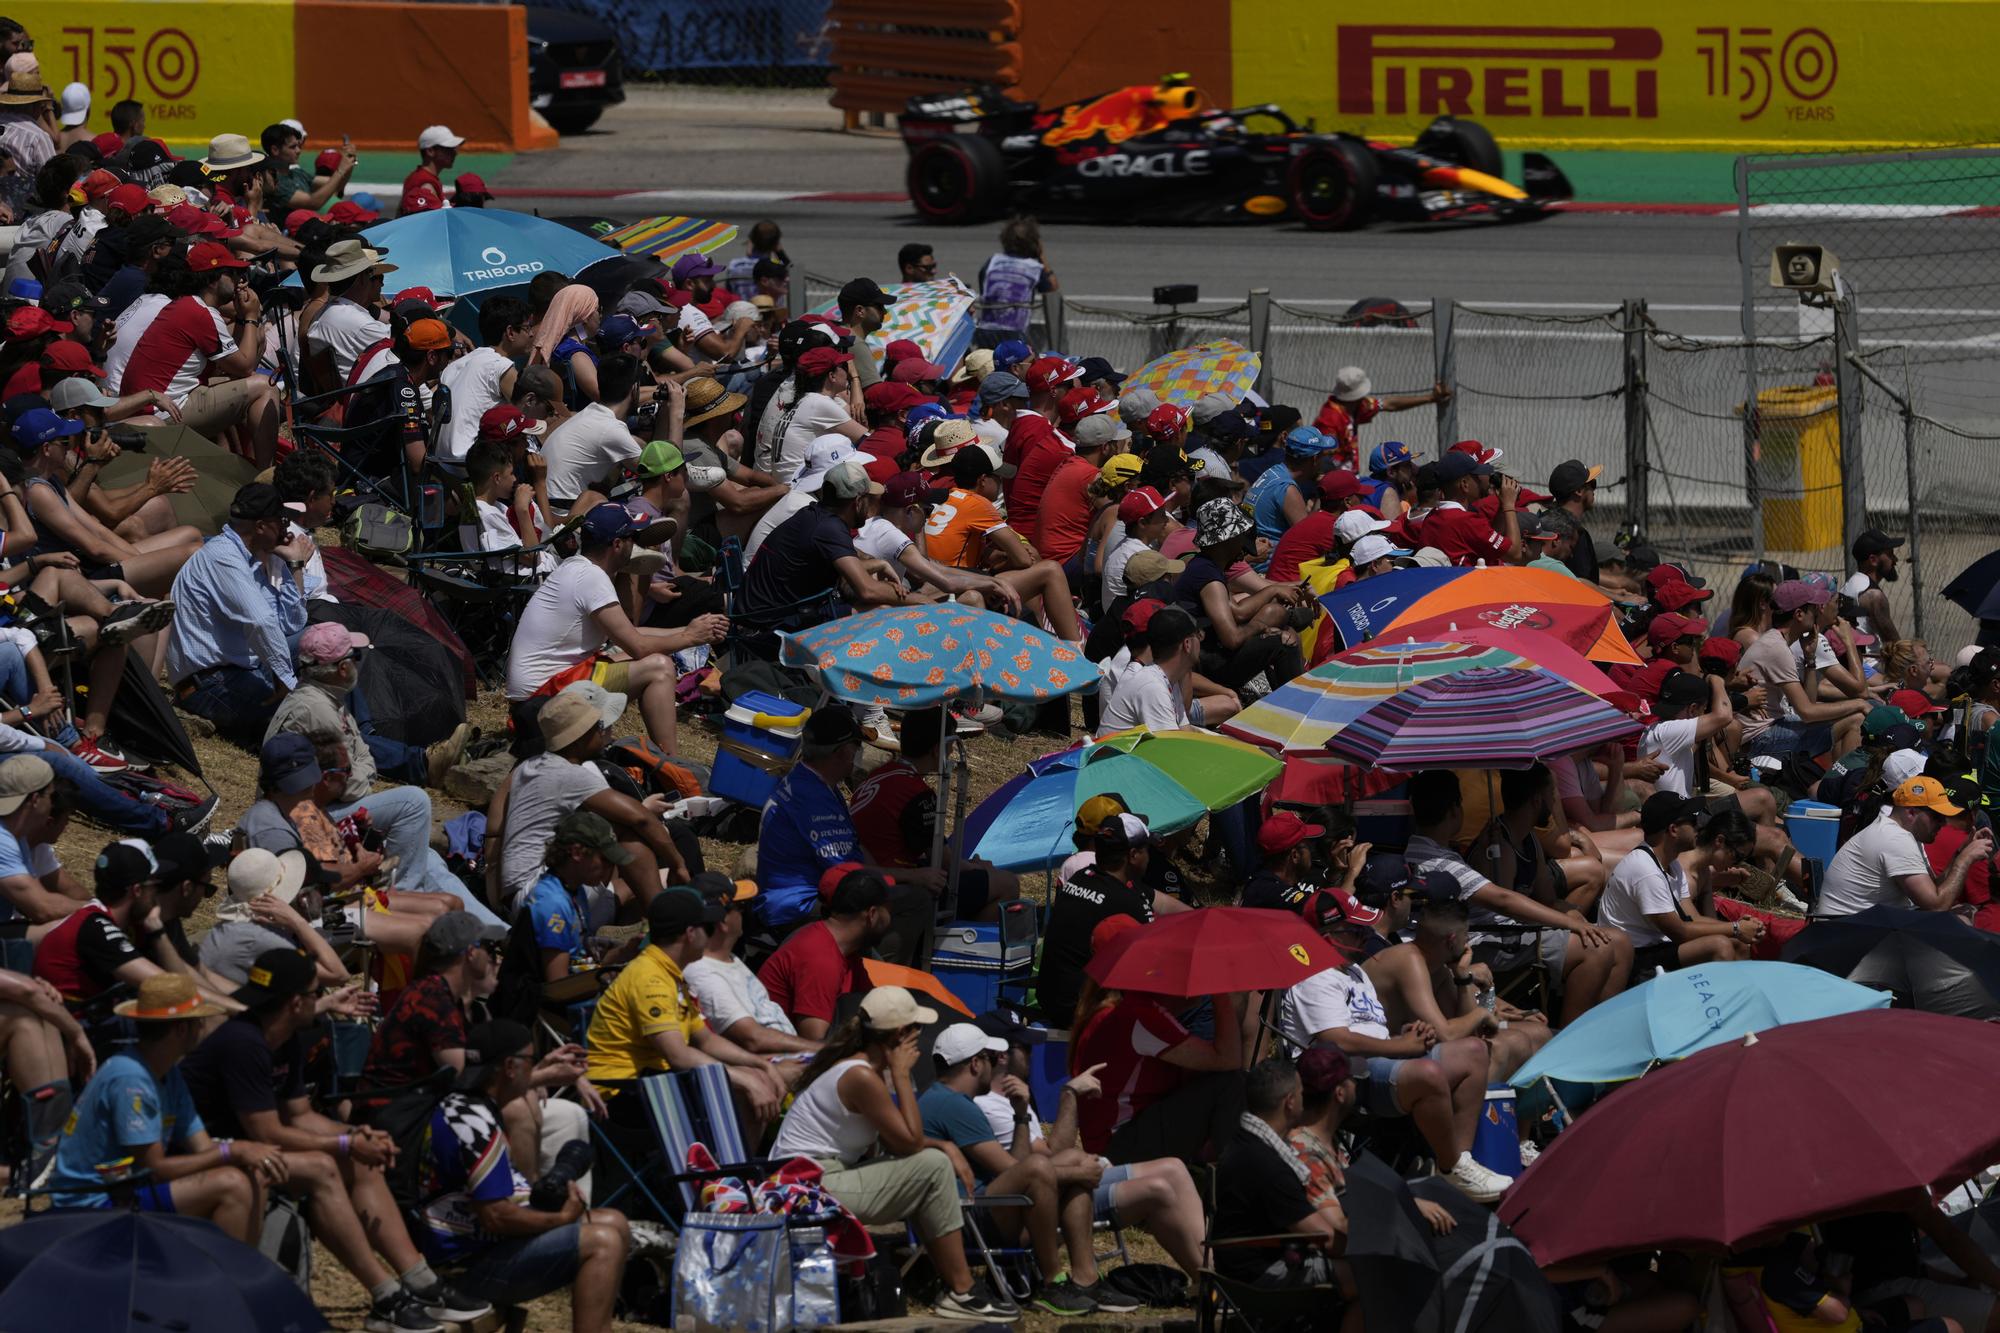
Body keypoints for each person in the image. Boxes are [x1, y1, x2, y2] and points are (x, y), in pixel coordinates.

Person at [179, 947, 489, 1330]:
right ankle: (385, 1295)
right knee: (323, 1167)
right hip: (207, 1153)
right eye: (314, 993)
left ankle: (420, 1281)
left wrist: (358, 1135)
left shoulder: (284, 1036)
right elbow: (267, 1130)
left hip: (252, 1147)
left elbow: (301, 1115)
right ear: (295, 1003)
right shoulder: (244, 1042)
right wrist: (344, 1144)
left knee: (360, 1158)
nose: (319, 1000)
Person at [770, 986, 1021, 1322]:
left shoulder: (862, 1071)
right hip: (805, 1188)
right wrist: (902, 1075)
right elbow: (910, 1143)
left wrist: (942, 1144)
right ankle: (962, 1291)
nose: (919, 1039)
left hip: (815, 1178)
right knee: (931, 1166)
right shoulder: (860, 1076)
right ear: (899, 1036)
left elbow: (897, 1142)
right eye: (915, 1030)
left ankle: (955, 1285)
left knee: (931, 1163)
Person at [1278, 886, 1512, 1201]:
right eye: (1354, 929)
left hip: (1381, 1062)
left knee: (1473, 1052)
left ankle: (1461, 1161)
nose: (1364, 935)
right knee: (1427, 1073)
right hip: (1344, 1079)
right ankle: (1450, 1165)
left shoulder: (1354, 973)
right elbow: (1336, 1040)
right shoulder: (1315, 976)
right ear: (1328, 933)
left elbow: (1372, 1029)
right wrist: (1402, 1047)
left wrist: (1408, 1035)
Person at [414, 1021, 633, 1333]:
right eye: (532, 1061)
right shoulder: (474, 1124)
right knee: (604, 1241)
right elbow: (497, 1217)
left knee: (615, 1221)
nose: (535, 1070)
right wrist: (562, 1218)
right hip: (464, 1271)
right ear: (510, 1067)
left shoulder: (469, 1106)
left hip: (481, 1251)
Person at [45, 974, 287, 1243]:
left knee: (251, 1175)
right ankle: (224, 1276)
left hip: (126, 1189)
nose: (204, 1027)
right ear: (181, 1029)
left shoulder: (168, 1073)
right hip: (91, 1201)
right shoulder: (130, 1078)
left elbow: (202, 1147)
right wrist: (235, 1150)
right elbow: (156, 1168)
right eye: (199, 1021)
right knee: (231, 1185)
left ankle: (238, 1270)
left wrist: (243, 1155)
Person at [917, 1022, 1124, 1315]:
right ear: (975, 1064)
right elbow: (1016, 1169)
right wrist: (1077, 1175)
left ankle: (1084, 1280)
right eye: (991, 1059)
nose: (998, 1066)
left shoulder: (947, 1098)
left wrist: (1020, 1116)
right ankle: (1052, 1282)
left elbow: (1017, 1165)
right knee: (1054, 1167)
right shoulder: (954, 1106)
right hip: (964, 1220)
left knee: (1073, 1158)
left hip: (975, 1210)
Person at [1404, 769, 1631, 1028]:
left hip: (1495, 933)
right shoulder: (1441, 861)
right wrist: (1570, 924)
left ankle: (1602, 1028)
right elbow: (1502, 899)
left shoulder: (1427, 852)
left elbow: (1535, 896)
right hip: (1486, 940)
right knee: (1598, 949)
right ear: (1455, 810)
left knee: (1619, 941)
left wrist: (1571, 916)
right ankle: (1571, 1038)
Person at [503, 502, 725, 759]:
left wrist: (688, 629)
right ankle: (671, 764)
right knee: (660, 667)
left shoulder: (576, 567)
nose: (637, 545)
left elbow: (632, 633)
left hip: (536, 697)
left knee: (626, 658)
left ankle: (666, 760)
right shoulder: (592, 578)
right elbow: (639, 646)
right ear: (617, 544)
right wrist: (689, 637)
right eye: (633, 537)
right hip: (544, 701)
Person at [585, 886, 790, 1126]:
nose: (713, 933)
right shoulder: (650, 978)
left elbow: (705, 1040)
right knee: (744, 1087)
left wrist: (757, 1064)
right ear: (691, 934)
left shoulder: (670, 973)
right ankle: (731, 1162)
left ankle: (737, 1159)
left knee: (758, 1075)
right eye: (707, 928)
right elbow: (678, 1055)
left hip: (653, 1081)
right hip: (620, 1096)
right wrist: (745, 1079)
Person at [755, 706, 944, 947]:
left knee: (898, 893)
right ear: (842, 752)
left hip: (801, 896)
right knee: (914, 901)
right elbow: (850, 873)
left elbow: (855, 846)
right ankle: (880, 973)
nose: (859, 753)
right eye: (857, 746)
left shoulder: (817, 784)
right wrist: (913, 876)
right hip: (797, 908)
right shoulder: (813, 799)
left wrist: (892, 878)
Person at [494, 690, 686, 914]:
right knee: (626, 832)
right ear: (580, 736)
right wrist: (677, 864)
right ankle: (666, 924)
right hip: (541, 895)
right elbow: (640, 818)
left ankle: (655, 911)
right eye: (598, 726)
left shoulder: (529, 767)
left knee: (632, 874)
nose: (603, 731)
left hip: (517, 897)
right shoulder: (568, 774)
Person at [1364, 880, 1553, 1084]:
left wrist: (1462, 977)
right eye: (1466, 934)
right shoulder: (1410, 961)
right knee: (1503, 1046)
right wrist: (1481, 1014)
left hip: (1406, 1047)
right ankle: (1480, 1114)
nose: (1467, 941)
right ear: (1452, 940)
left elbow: (1470, 1032)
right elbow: (1446, 1033)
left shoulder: (1438, 966)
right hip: (1378, 1057)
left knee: (1535, 1034)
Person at [165, 482, 309, 743]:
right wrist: (284, 679)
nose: (288, 527)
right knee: (306, 725)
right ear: (261, 526)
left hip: (242, 669)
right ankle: (403, 760)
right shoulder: (223, 557)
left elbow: (291, 624)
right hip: (210, 684)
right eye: (282, 520)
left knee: (328, 644)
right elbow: (262, 621)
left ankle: (366, 732)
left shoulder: (251, 559)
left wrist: (290, 562)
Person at [117, 240, 280, 464]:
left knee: (239, 382)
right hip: (163, 410)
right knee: (265, 387)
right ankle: (266, 472)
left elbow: (234, 365)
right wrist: (251, 315)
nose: (238, 281)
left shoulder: (187, 305)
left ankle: (242, 461)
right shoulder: (201, 313)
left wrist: (242, 318)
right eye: (231, 273)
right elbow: (245, 366)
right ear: (213, 279)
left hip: (155, 403)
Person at [848, 706, 1020, 918]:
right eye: (950, 746)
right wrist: (979, 868)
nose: (952, 753)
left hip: (871, 874)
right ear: (938, 749)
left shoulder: (879, 775)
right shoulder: (916, 793)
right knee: (1007, 884)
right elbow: (944, 861)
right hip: (894, 885)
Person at [1036, 814, 1189, 1029]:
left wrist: (1204, 919)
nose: (1150, 856)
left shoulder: (1084, 876)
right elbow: (1157, 962)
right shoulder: (1124, 901)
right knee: (1201, 1002)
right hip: (1085, 1014)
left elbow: (1161, 903)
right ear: (1134, 854)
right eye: (1147, 849)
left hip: (1055, 1001)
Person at [1599, 793, 1764, 974]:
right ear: (1673, 829)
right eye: (1692, 821)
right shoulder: (1646, 871)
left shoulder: (1672, 864)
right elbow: (1680, 932)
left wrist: (1739, 928)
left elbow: (1691, 919)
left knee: (1735, 943)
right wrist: (1735, 928)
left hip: (1655, 946)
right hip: (1632, 957)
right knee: (1719, 945)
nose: (1699, 826)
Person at [1211, 1059, 1340, 1283]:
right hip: (1259, 1275)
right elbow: (1324, 1238)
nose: (1303, 1099)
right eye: (1301, 1093)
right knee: (1367, 1276)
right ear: (1290, 1102)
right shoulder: (1267, 1164)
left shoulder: (1244, 1142)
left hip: (1236, 1266)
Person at [682, 872, 821, 1056]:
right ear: (723, 921)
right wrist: (824, 1051)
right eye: (740, 907)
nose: (744, 912)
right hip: (772, 1065)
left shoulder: (727, 957)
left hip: (790, 1055)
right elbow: (752, 1039)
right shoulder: (703, 974)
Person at [1818, 776, 1993, 916]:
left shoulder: (1901, 833)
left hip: (1857, 924)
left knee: (1963, 913)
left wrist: (1960, 852)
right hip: (1847, 932)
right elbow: (1936, 906)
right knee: (1962, 921)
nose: (1943, 823)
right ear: (1911, 812)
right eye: (1937, 817)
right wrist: (1965, 859)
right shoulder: (1895, 839)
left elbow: (1933, 887)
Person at [1740, 579, 1872, 762]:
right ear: (1799, 614)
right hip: (1760, 738)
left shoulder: (1777, 641)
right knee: (1856, 719)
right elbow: (1808, 713)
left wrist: (1810, 659)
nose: (1818, 611)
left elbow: (1809, 702)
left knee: (1850, 715)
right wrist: (1858, 703)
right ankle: (1845, 784)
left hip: (1769, 728)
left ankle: (1838, 780)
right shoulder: (1776, 648)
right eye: (1813, 608)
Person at [757, 865, 893, 1039]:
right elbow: (815, 1042)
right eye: (888, 910)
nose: (891, 918)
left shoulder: (847, 952)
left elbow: (873, 1005)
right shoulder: (821, 958)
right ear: (872, 915)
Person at [437, 295, 536, 473]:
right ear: (510, 332)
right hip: (473, 465)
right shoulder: (499, 366)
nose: (531, 334)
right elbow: (527, 413)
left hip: (442, 463)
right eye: (527, 327)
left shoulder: (453, 367)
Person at [974, 214, 1055, 350]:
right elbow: (1052, 289)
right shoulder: (1033, 268)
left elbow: (985, 290)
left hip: (986, 330)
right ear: (1034, 243)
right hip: (1014, 333)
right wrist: (1042, 257)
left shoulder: (992, 262)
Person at [1845, 528, 1906, 645]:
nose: (1895, 560)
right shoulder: (1874, 597)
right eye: (1890, 554)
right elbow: (1894, 645)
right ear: (1873, 560)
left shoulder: (1852, 584)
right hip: (1871, 662)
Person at [401, 124, 462, 214]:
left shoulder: (415, 176)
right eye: (448, 149)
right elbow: (436, 219)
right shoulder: (427, 185)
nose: (455, 153)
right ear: (430, 151)